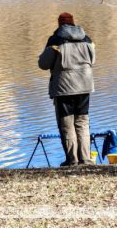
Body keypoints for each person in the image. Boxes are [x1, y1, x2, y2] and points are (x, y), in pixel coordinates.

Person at [38, 12, 96, 166]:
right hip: (84, 86)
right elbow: (93, 60)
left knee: (67, 124)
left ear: (59, 24)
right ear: (73, 23)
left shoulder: (56, 40)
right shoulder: (87, 39)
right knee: (82, 122)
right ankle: (86, 159)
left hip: (64, 88)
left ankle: (72, 160)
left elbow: (43, 64)